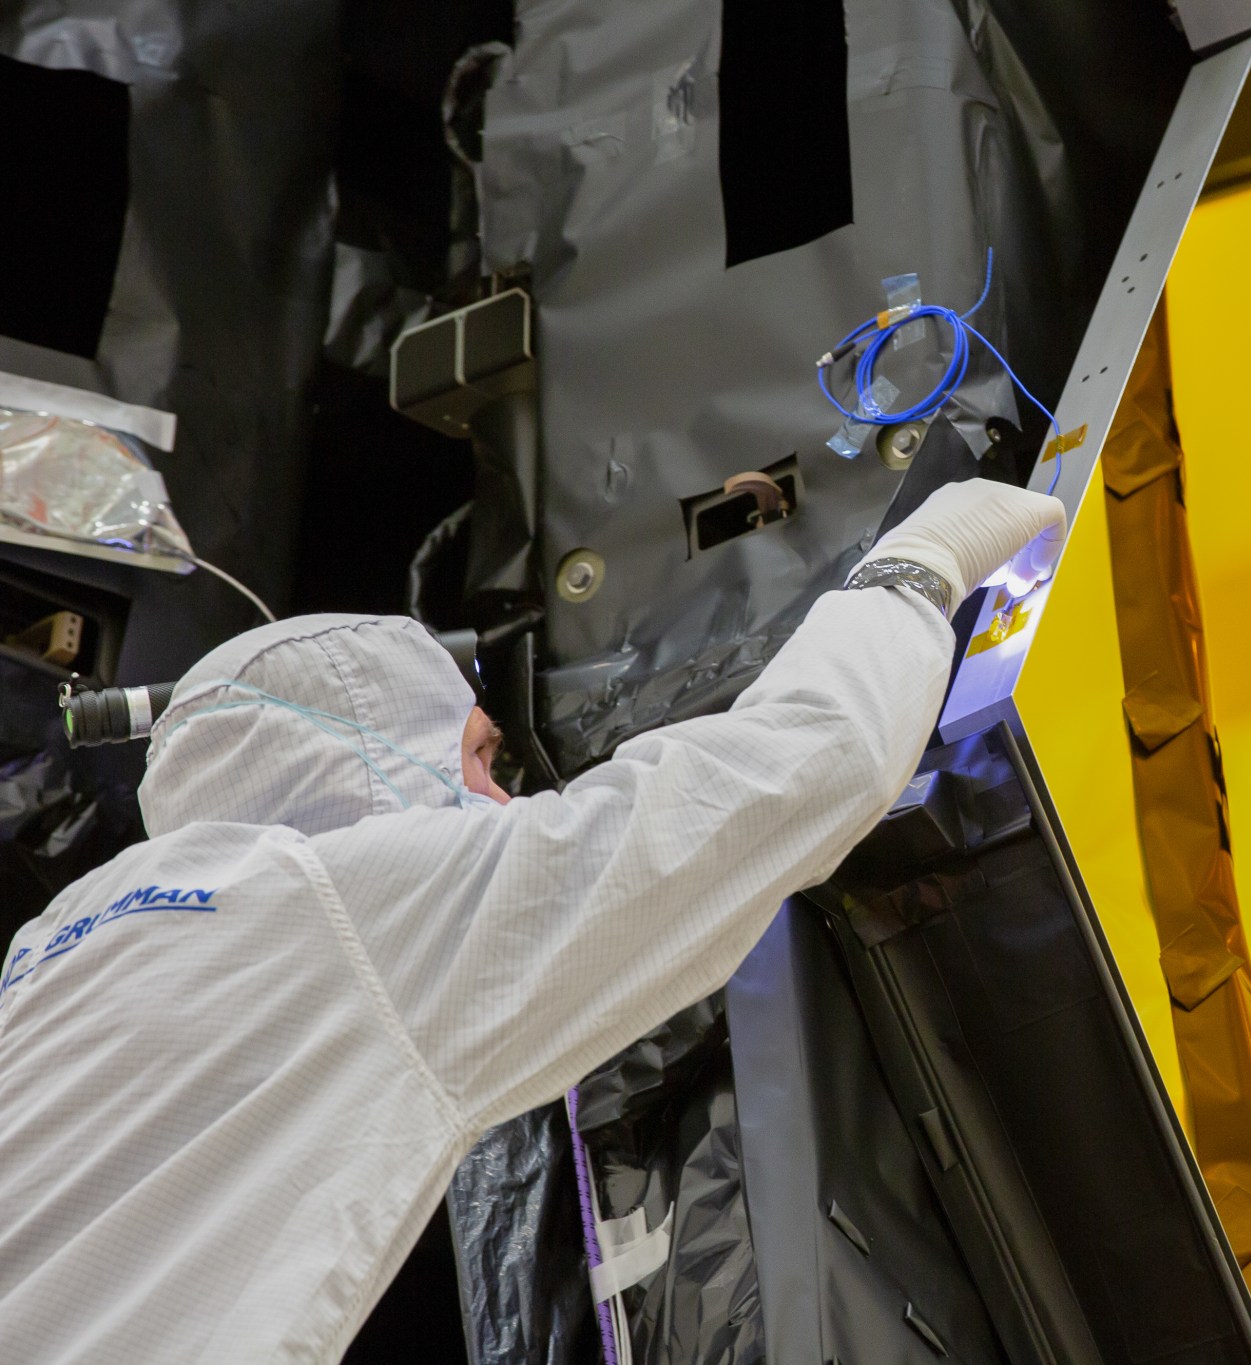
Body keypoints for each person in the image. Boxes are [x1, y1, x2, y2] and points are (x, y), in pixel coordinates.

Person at [0, 478, 1065, 1363]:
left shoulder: (57, 949)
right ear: (368, 758)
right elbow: (784, 780)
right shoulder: (344, 911)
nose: (504, 800)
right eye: (476, 756)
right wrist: (912, 570)